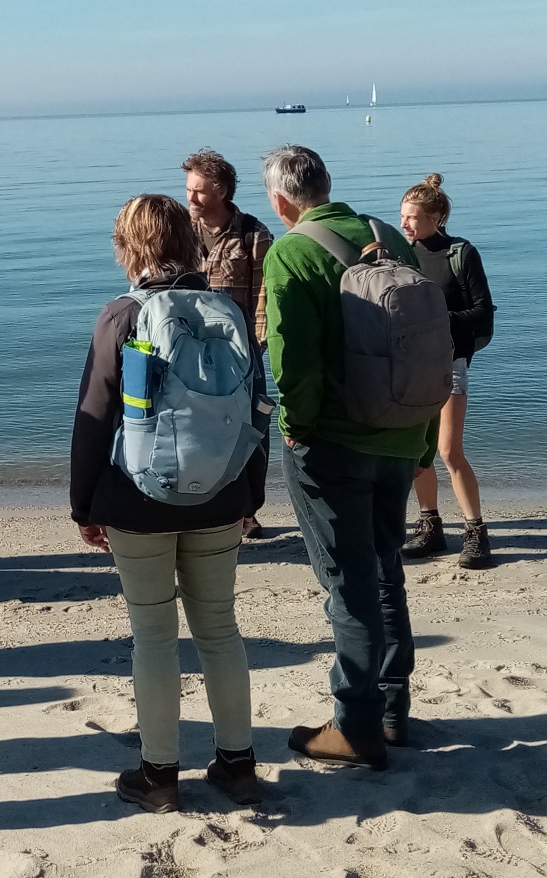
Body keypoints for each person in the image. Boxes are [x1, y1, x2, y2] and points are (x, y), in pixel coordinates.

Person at [72, 194, 263, 813]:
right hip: (222, 494)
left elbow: (94, 419)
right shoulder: (228, 310)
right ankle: (236, 764)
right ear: (189, 240)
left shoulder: (123, 316)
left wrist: (85, 505)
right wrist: (249, 496)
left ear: (128, 247)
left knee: (154, 635)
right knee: (220, 629)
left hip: (138, 497)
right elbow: (255, 409)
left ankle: (160, 776)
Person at [260, 145, 428, 768]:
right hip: (402, 429)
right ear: (328, 185)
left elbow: (291, 357)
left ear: (280, 201)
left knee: (347, 582)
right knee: (385, 570)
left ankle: (354, 726)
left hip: (333, 438)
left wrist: (293, 427)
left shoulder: (293, 251)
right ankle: (391, 710)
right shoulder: (388, 236)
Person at [396, 174, 496, 567]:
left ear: (437, 217)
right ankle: (430, 525)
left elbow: (483, 310)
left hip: (450, 361)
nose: (405, 225)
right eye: (402, 217)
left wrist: (434, 319)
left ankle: (476, 531)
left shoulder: (461, 253)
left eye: (413, 218)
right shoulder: (400, 253)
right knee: (418, 452)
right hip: (409, 364)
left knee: (449, 450)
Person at [183, 149, 276, 539]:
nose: (190, 199)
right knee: (194, 430)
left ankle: (248, 511)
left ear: (221, 191)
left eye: (199, 192)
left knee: (250, 428)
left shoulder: (254, 235)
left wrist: (253, 348)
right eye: (188, 189)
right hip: (188, 352)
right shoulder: (180, 231)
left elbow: (265, 298)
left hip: (241, 354)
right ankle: (197, 503)